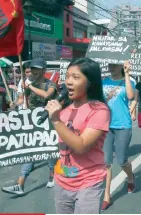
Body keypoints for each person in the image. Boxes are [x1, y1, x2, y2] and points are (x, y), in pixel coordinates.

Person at [45, 58, 110, 214]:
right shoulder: (61, 107)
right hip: (62, 179)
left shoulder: (100, 110)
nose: (69, 82)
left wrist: (56, 120)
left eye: (76, 77)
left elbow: (81, 146)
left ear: (90, 82)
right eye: (67, 76)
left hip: (89, 183)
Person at [1, 58, 58, 195]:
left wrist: (30, 86)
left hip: (49, 122)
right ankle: (20, 184)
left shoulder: (51, 84)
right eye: (33, 69)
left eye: (37, 69)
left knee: (49, 151)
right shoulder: (28, 86)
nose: (34, 72)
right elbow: (22, 99)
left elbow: (46, 95)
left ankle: (53, 175)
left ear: (44, 70)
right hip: (33, 123)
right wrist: (14, 103)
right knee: (30, 151)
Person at [101, 61, 136, 211]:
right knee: (106, 163)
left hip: (123, 125)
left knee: (122, 161)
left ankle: (130, 177)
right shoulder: (103, 82)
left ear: (121, 66)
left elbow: (130, 96)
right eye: (110, 65)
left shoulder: (128, 81)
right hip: (106, 126)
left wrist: (127, 74)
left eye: (115, 65)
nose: (111, 67)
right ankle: (107, 196)